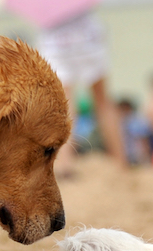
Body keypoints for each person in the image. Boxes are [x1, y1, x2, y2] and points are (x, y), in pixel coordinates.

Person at [35, 10, 125, 176]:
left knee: (65, 104)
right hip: (87, 34)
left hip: (56, 37)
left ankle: (65, 163)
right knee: (103, 102)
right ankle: (120, 161)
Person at [117, 98, 153, 166]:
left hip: (137, 155)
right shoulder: (121, 122)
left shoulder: (136, 121)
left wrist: (146, 156)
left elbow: (144, 140)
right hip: (127, 155)